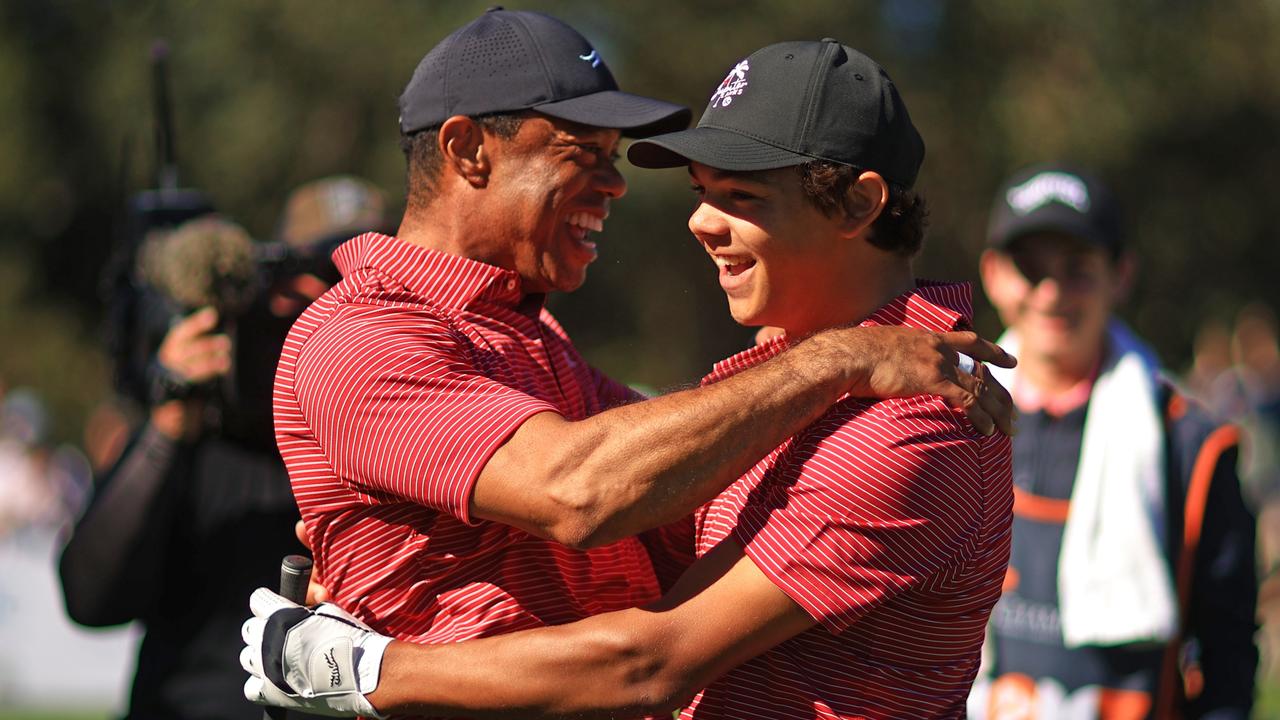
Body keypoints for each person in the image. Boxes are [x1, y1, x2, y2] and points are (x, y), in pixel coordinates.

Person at [242, 37, 1014, 720]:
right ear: (468, 149)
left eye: (740, 196)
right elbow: (587, 489)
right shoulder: (368, 334)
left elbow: (647, 655)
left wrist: (365, 670)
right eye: (585, 151)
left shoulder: (911, 415)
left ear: (859, 203)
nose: (694, 220)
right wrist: (840, 355)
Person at [59, 177, 387, 720]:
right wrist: (170, 419)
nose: (338, 312)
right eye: (315, 286)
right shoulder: (205, 427)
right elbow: (91, 599)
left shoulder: (400, 430)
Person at [965, 165, 1258, 719]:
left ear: (1120, 274)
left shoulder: (1191, 446)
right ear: (994, 275)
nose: (1052, 293)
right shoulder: (947, 423)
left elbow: (1228, 658)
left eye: (1078, 270)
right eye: (1031, 269)